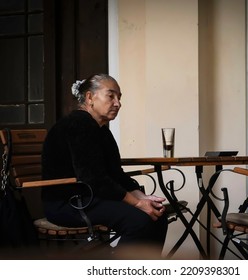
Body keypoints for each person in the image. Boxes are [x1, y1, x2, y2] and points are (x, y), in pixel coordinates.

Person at [41, 73, 168, 257]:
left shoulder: (101, 131)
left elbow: (115, 174)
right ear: (90, 97)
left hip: (89, 198)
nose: (118, 103)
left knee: (157, 215)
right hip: (68, 203)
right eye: (111, 96)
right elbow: (94, 179)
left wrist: (143, 197)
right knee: (139, 221)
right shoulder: (78, 124)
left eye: (119, 97)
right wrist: (138, 203)